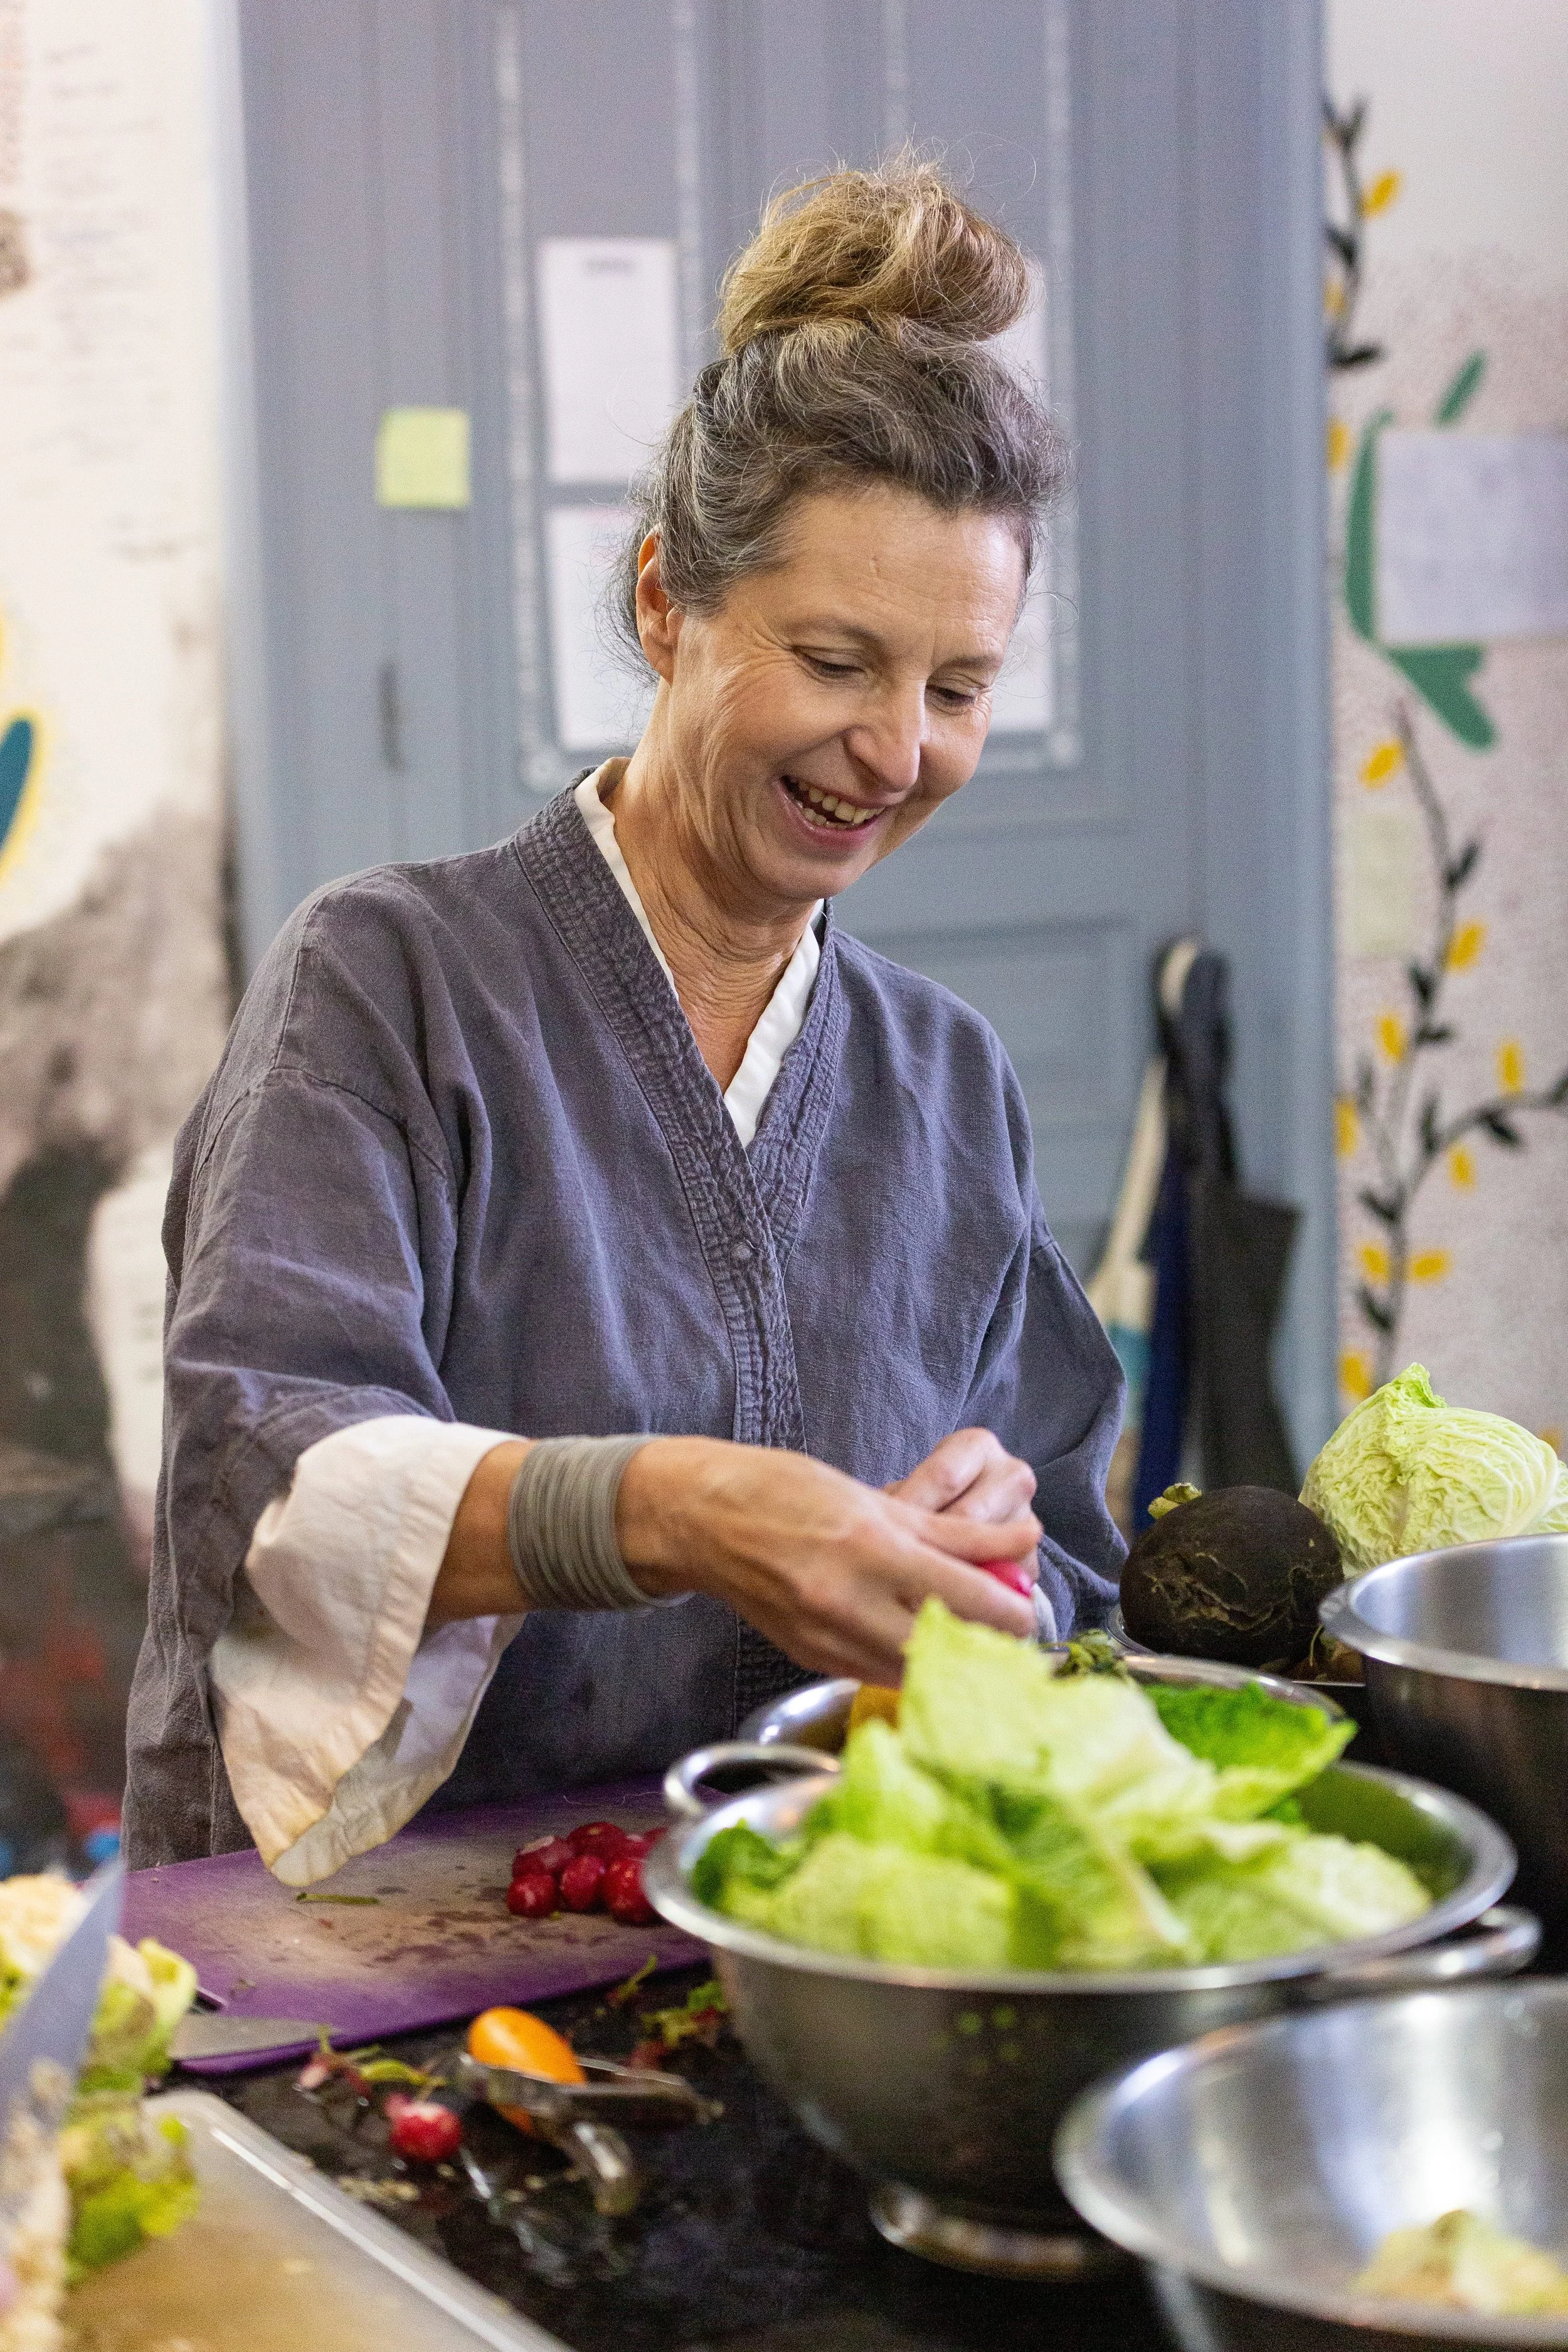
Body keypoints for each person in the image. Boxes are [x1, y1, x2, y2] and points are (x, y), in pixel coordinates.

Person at [124, 159, 1125, 1883]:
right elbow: (267, 1466)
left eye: (955, 687)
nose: (894, 752)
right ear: (666, 602)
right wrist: (676, 1508)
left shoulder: (942, 1080)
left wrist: (989, 1556)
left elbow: (1070, 1575)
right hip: (383, 1957)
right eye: (832, 659)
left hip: (798, 1954)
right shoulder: (388, 986)